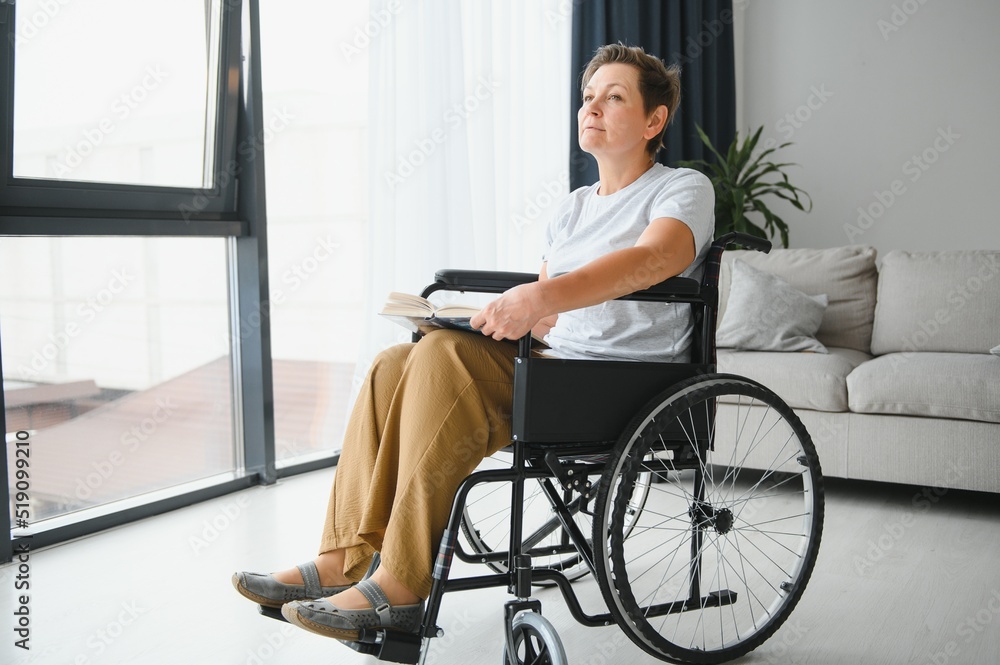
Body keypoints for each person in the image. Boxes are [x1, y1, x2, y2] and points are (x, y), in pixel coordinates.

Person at [232, 43, 715, 641]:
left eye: (614, 97)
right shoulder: (570, 211)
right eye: (588, 96)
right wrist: (489, 317)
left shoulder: (681, 188)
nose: (593, 107)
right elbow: (545, 319)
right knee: (393, 363)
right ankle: (342, 559)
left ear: (652, 121)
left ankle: (403, 587)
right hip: (554, 366)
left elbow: (655, 258)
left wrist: (541, 299)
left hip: (624, 382)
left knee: (439, 358)